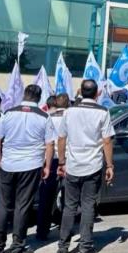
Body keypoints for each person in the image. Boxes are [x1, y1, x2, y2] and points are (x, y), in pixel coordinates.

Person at [57, 79, 115, 253]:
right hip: (93, 165)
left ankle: (63, 247)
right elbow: (107, 140)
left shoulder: (69, 111)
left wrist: (61, 162)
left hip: (73, 165)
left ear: (80, 92)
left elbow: (61, 138)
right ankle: (85, 246)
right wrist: (110, 165)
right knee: (88, 205)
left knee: (69, 207)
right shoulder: (103, 112)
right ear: (97, 93)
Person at [0, 84, 56, 253]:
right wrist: (47, 166)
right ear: (39, 98)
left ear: (25, 95)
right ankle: (17, 246)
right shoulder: (44, 116)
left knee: (3, 205)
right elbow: (49, 144)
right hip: (31, 165)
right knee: (22, 205)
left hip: (8, 164)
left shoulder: (8, 113)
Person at [36, 93, 70, 240]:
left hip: (49, 160)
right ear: (68, 103)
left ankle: (42, 230)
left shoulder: (47, 116)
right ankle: (64, 230)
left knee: (46, 196)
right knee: (67, 197)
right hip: (66, 160)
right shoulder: (70, 117)